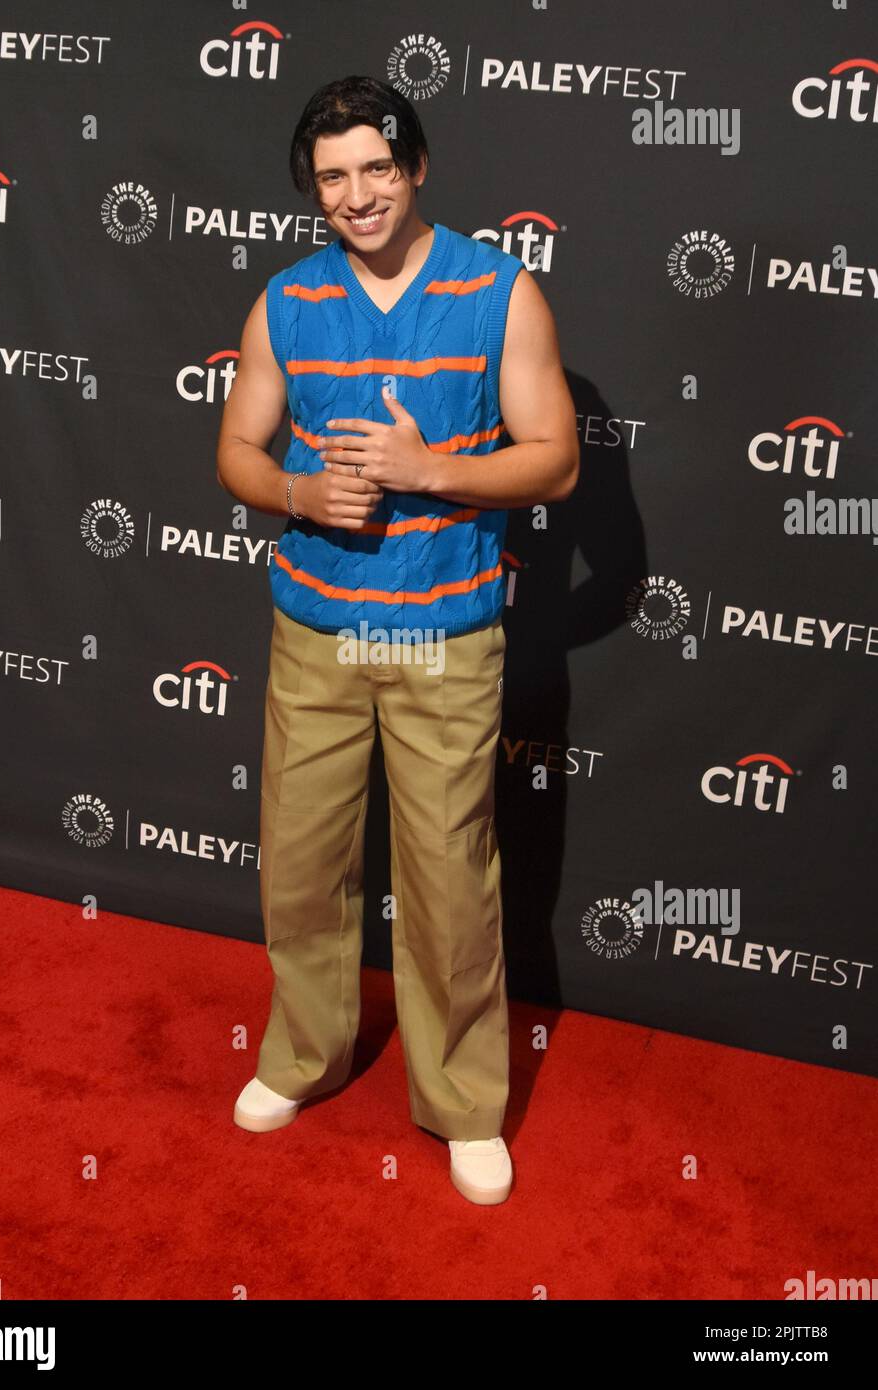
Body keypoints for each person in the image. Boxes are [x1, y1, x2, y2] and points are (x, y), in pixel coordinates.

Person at [216, 74, 578, 1205]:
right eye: (332, 178)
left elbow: (555, 458)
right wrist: (292, 493)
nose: (357, 194)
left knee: (448, 878)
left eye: (377, 167)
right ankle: (303, 1056)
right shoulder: (283, 301)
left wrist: (431, 471)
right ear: (312, 192)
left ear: (414, 167)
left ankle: (465, 1101)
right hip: (313, 630)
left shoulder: (498, 290)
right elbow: (234, 446)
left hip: (445, 639)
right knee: (302, 863)